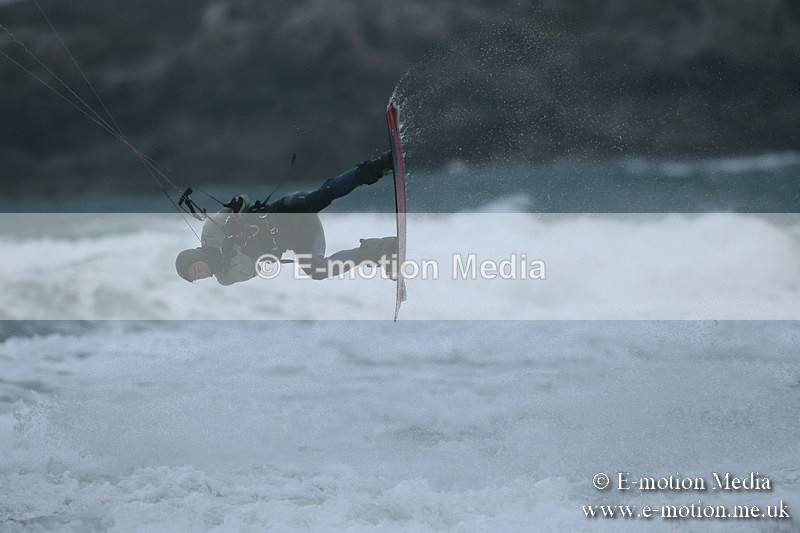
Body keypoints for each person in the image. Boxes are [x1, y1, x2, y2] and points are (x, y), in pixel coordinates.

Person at [175, 151, 399, 285]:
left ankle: (379, 166)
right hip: (295, 239)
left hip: (281, 215)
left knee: (317, 199)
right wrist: (232, 247)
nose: (203, 275)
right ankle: (376, 250)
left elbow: (243, 199)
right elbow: (255, 268)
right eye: (198, 278)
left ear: (196, 256)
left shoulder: (210, 231)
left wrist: (235, 211)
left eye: (197, 270)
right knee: (317, 271)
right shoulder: (225, 277)